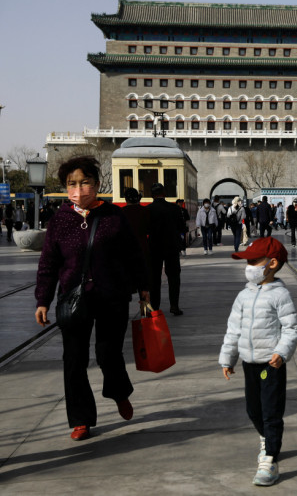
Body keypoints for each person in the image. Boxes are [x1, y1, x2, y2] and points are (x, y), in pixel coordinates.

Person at [34, 156, 149, 441]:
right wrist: (43, 299)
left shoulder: (113, 216)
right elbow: (48, 263)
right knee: (74, 360)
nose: (78, 189)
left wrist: (144, 287)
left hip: (113, 296)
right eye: (72, 184)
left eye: (84, 182)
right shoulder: (60, 220)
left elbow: (134, 255)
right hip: (73, 300)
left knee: (108, 354)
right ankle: (81, 419)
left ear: (96, 184)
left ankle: (119, 392)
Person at [219, 237, 297, 486]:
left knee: (271, 411)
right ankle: (268, 439)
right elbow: (233, 329)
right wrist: (228, 357)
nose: (249, 266)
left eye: (254, 261)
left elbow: (291, 328)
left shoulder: (280, 295)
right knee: (253, 410)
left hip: (271, 364)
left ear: (272, 263)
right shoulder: (243, 296)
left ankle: (270, 459)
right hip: (248, 363)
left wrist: (282, 352)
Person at [148, 183, 186, 316]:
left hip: (154, 248)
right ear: (164, 193)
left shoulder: (148, 209)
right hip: (172, 247)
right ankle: (174, 306)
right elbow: (182, 227)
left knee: (154, 278)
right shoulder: (175, 209)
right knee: (174, 277)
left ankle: (155, 307)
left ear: (151, 195)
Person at [121, 188, 151, 293]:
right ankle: (144, 306)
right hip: (143, 248)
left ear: (125, 199)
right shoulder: (145, 211)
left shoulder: (121, 213)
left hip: (126, 252)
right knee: (143, 283)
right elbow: (149, 229)